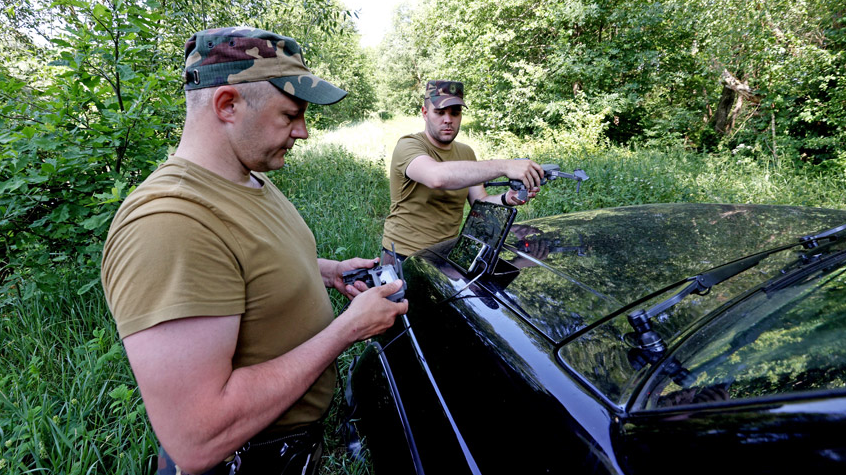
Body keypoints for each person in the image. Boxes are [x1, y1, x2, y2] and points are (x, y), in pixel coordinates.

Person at [100, 27, 408, 475]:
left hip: (288, 449)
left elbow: (238, 266)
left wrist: (323, 271)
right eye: (290, 115)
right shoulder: (169, 225)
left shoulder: (246, 178)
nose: (302, 132)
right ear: (228, 105)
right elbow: (198, 436)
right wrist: (347, 329)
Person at [381, 80, 545, 262]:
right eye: (439, 112)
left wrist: (506, 198)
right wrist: (505, 166)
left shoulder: (465, 152)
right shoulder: (409, 145)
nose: (448, 120)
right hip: (404, 254)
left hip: (446, 253)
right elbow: (436, 177)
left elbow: (479, 202)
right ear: (425, 113)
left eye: (455, 113)